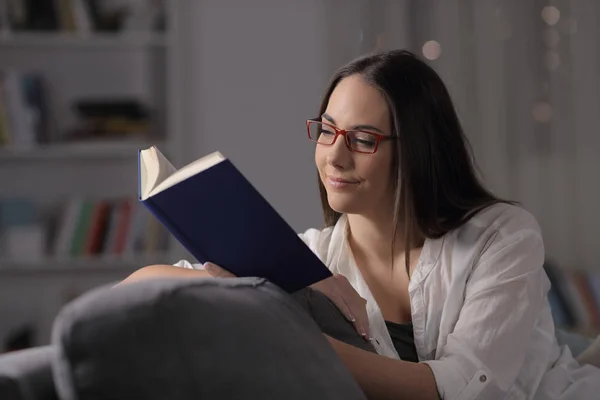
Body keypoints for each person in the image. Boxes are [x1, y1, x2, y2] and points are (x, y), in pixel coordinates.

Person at [121, 49, 600, 399]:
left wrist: (288, 335)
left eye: (363, 139)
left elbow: (458, 388)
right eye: (327, 130)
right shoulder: (311, 259)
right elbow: (133, 290)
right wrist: (231, 291)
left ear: (416, 149)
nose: (334, 155)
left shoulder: (503, 235)